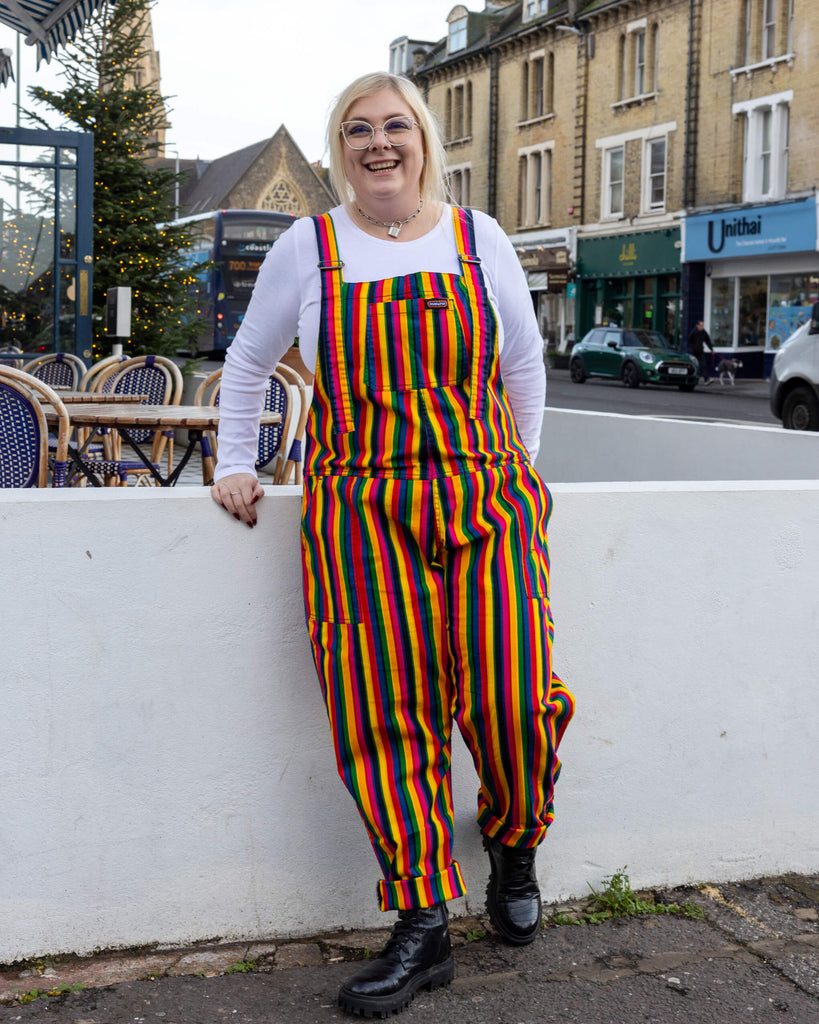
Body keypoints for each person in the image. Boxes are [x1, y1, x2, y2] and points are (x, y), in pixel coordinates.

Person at [210, 71, 574, 1018]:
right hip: (358, 512)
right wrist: (231, 463)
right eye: (358, 129)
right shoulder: (310, 245)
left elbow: (523, 362)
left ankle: (514, 838)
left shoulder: (478, 237)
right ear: (341, 148)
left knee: (510, 690)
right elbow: (247, 363)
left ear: (424, 139)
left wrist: (522, 473)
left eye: (395, 126)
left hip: (484, 494)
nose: (378, 143)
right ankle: (420, 923)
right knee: (382, 710)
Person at [688, 319, 714, 385]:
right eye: (701, 325)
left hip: (700, 352)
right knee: (694, 366)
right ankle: (692, 379)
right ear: (697, 326)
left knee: (703, 365)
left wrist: (711, 349)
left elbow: (707, 341)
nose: (702, 327)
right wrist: (693, 347)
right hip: (694, 352)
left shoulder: (703, 332)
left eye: (703, 325)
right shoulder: (693, 332)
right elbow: (689, 341)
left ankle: (706, 380)